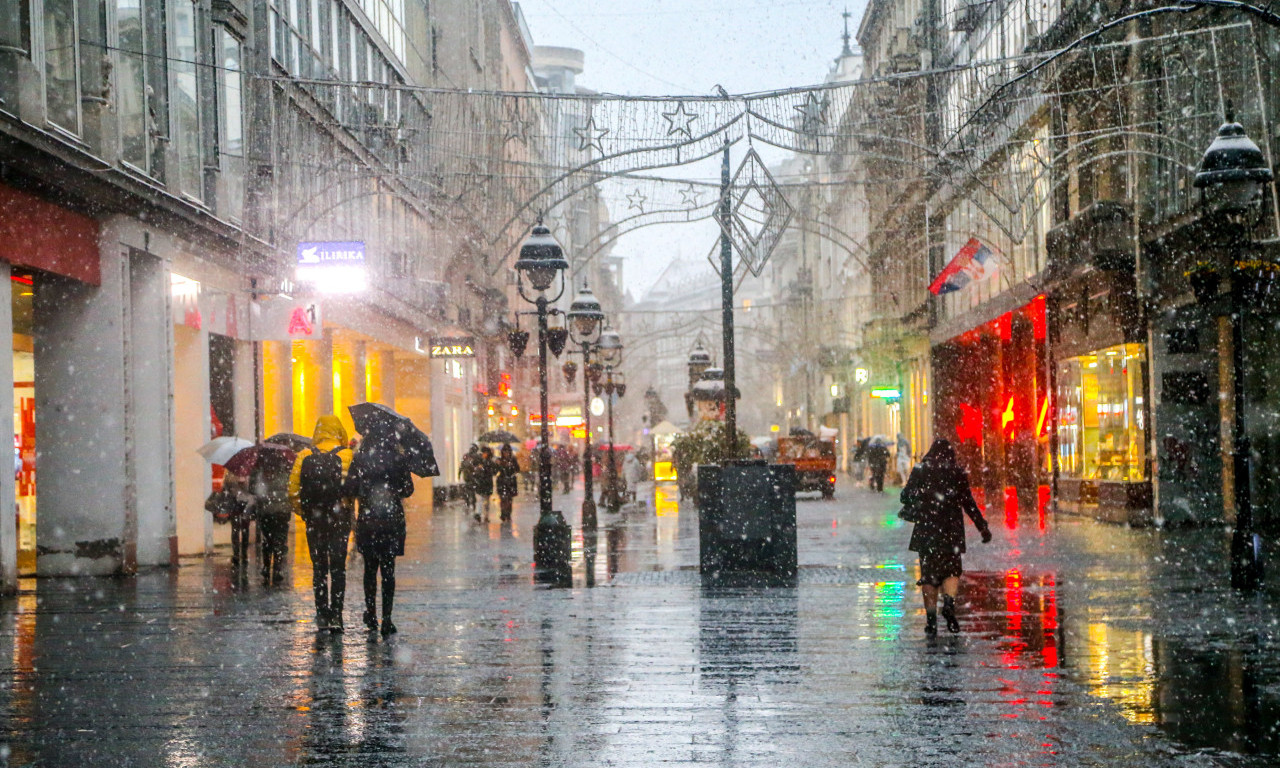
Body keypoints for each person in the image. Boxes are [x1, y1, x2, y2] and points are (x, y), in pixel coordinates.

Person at [900, 439, 992, 635]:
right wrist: (982, 527)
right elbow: (968, 502)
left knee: (929, 576)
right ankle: (949, 604)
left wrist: (922, 496)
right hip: (951, 529)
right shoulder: (957, 472)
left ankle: (931, 621)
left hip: (927, 529)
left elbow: (905, 496)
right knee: (952, 571)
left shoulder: (920, 470)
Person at [343, 429, 413, 637]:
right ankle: (387, 618)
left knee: (370, 568)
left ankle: (371, 613)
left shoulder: (360, 459)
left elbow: (349, 488)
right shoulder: (397, 459)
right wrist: (393, 490)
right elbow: (408, 490)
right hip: (391, 520)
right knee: (388, 569)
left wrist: (364, 491)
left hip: (368, 520)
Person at [289, 416, 355, 633]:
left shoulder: (304, 455)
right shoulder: (347, 455)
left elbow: (293, 491)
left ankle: (322, 614)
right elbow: (353, 488)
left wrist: (305, 512)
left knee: (319, 568)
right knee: (338, 568)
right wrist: (345, 506)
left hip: (315, 521)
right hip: (339, 520)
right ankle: (337, 615)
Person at [250, 446, 294, 586]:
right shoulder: (286, 472)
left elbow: (253, 490)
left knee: (267, 539)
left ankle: (266, 566)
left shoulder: (260, 472)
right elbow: (291, 488)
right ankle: (277, 569)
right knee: (280, 539)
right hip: (282, 511)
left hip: (266, 511)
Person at [469, 446, 496, 522]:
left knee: (487, 501)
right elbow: (473, 470)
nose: (485, 454)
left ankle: (486, 515)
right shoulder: (478, 461)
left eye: (486, 453)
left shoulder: (490, 462)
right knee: (480, 500)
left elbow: (494, 472)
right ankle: (478, 514)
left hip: (487, 483)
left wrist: (485, 469)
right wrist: (478, 469)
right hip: (480, 483)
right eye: (484, 452)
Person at [495, 443, 520, 522]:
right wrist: (498, 464)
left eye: (508, 451)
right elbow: (495, 471)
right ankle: (503, 513)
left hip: (510, 481)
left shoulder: (513, 459)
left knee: (509, 499)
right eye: (505, 451)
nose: (506, 453)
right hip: (502, 481)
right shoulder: (499, 460)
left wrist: (512, 466)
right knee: (503, 498)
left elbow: (517, 469)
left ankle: (508, 514)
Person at [459, 445, 481, 514]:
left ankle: (468, 503)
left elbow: (461, 467)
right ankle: (472, 504)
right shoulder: (476, 457)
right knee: (472, 492)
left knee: (468, 492)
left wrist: (459, 474)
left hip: (468, 478)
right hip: (473, 478)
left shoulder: (467, 457)